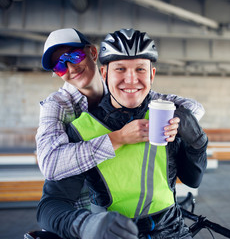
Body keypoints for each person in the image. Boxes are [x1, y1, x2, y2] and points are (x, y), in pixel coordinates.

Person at [36, 28, 208, 239]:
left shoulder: (160, 115)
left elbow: (192, 177)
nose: (131, 80)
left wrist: (195, 138)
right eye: (120, 69)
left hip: (173, 230)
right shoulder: (64, 113)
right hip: (110, 228)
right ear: (105, 73)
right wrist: (83, 224)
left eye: (140, 70)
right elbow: (51, 179)